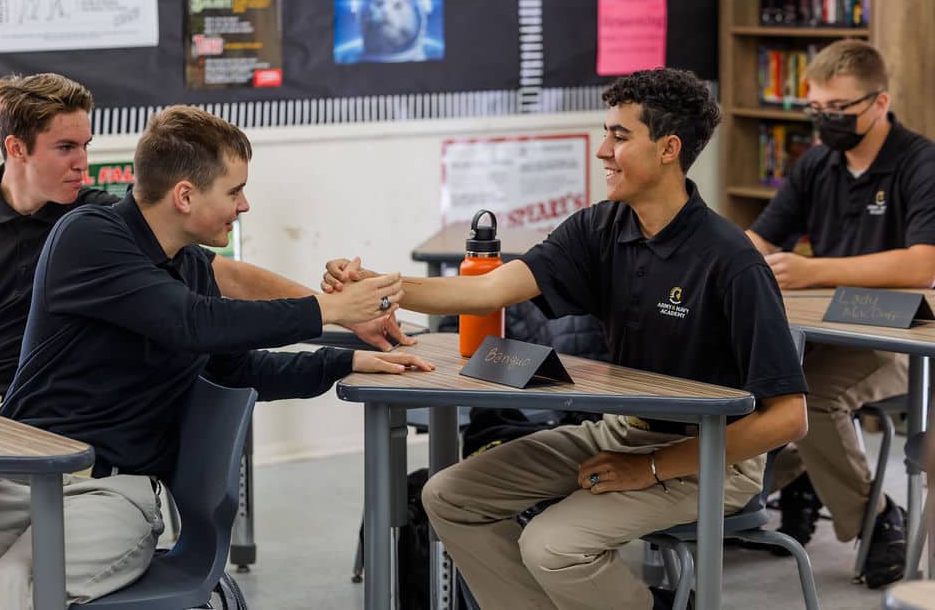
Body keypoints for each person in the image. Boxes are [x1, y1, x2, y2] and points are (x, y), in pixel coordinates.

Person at [323, 67, 809, 610]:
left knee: (551, 545)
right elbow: (488, 292)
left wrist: (647, 468)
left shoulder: (732, 260)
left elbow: (789, 418)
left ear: (670, 148)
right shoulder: (600, 228)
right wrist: (381, 288)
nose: (602, 150)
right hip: (624, 430)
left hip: (714, 458)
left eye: (620, 137)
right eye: (606, 133)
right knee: (449, 495)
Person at [0, 104, 434, 609]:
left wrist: (340, 362)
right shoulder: (88, 235)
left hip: (110, 492)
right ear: (185, 195)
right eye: (236, 191)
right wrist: (328, 308)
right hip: (14, 480)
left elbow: (235, 368)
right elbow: (191, 323)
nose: (244, 205)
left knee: (15, 586)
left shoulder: (193, 270)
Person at [745, 39, 935, 587]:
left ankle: (879, 523)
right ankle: (744, 500)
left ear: (879, 103)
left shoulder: (921, 164)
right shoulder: (817, 164)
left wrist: (816, 269)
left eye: (839, 111)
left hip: (904, 337)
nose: (826, 120)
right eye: (817, 109)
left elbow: (923, 265)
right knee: (760, 382)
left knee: (810, 397)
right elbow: (760, 238)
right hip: (826, 329)